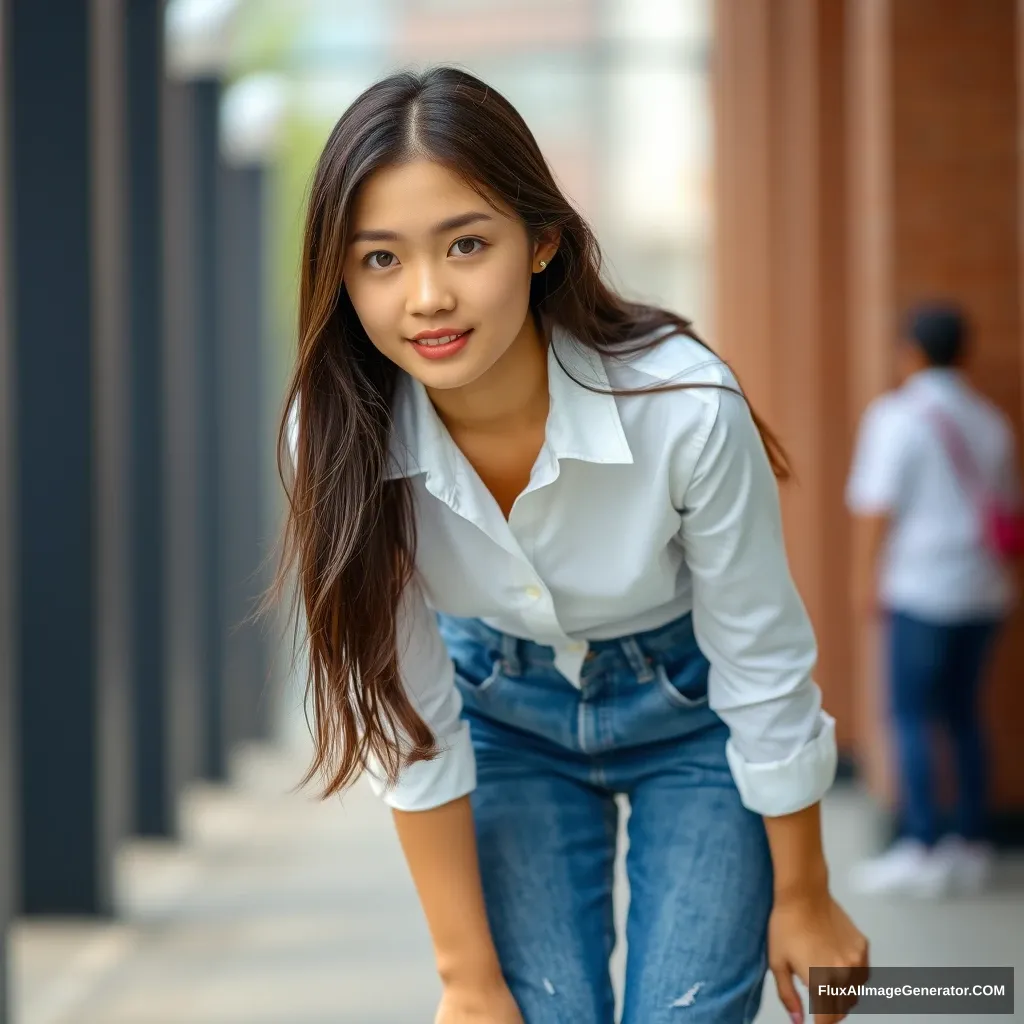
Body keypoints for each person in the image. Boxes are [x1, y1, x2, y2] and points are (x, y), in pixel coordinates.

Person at [274, 66, 867, 1024]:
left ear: (542, 240)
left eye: (466, 244)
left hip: (694, 715)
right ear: (339, 274)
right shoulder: (333, 434)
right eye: (379, 259)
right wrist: (466, 981)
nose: (427, 296)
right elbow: (409, 715)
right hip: (503, 716)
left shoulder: (684, 408)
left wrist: (805, 897)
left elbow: (760, 657)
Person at [845, 303, 1020, 897]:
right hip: (986, 590)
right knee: (967, 715)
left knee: (913, 716)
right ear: (964, 353)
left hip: (921, 587)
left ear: (910, 352)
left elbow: (875, 507)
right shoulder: (991, 420)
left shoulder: (897, 417)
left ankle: (920, 843)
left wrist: (865, 579)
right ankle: (971, 843)